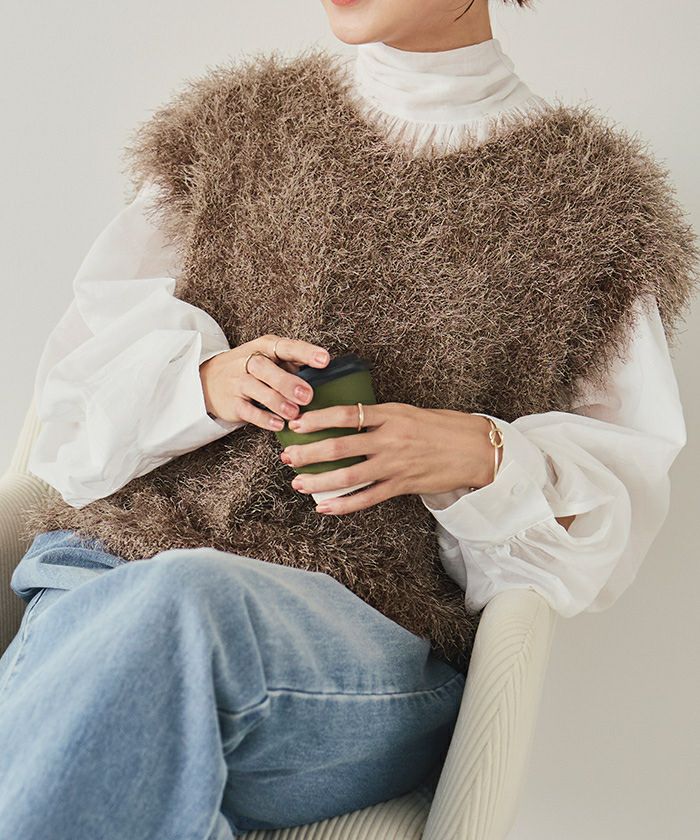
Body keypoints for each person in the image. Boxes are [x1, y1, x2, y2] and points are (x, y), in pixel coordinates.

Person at [0, 1, 694, 838]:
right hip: (103, 579)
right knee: (149, 634)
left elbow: (606, 515)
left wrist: (482, 457)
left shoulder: (595, 207)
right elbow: (72, 406)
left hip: (352, 655)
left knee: (182, 605)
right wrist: (200, 385)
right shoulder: (232, 128)